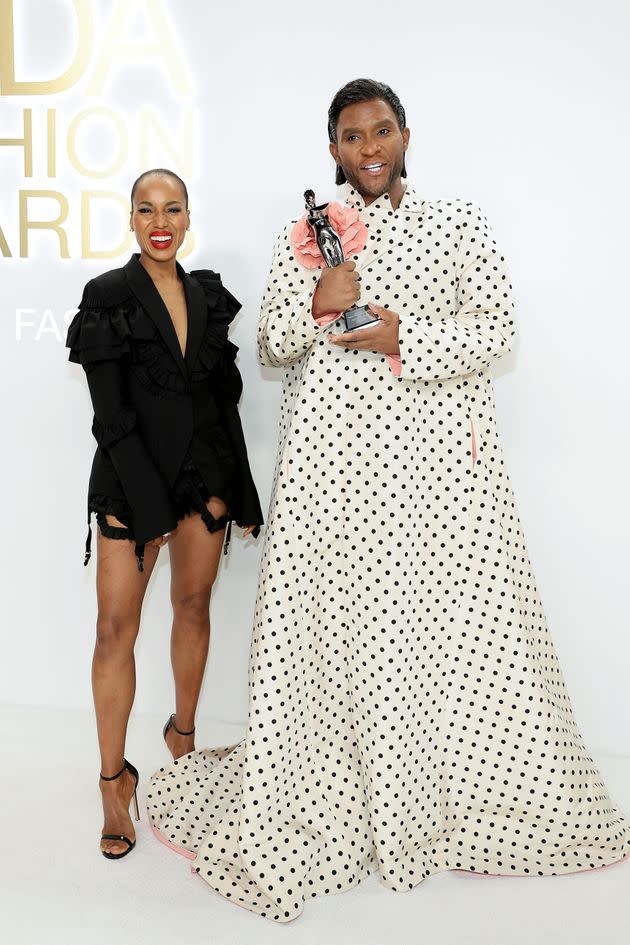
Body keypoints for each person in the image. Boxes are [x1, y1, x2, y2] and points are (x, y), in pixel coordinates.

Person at [147, 82, 629, 920]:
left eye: (380, 130)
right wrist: (314, 302)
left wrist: (403, 331)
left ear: (405, 134)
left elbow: (496, 329)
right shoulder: (306, 232)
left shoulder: (459, 224)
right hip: (333, 472)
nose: (368, 146)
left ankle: (446, 795)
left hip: (436, 472)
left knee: (451, 627)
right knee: (343, 629)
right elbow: (268, 344)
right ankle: (345, 793)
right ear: (331, 148)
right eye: (350, 135)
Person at [66, 168, 263, 860]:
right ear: (130, 218)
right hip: (130, 482)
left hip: (203, 476)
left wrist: (241, 489)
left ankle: (182, 743)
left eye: (172, 207)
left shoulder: (207, 294)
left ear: (187, 217)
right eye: (146, 208)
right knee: (113, 628)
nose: (160, 219)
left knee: (193, 606)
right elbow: (110, 417)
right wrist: (147, 507)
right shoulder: (108, 295)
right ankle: (114, 781)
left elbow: (220, 406)